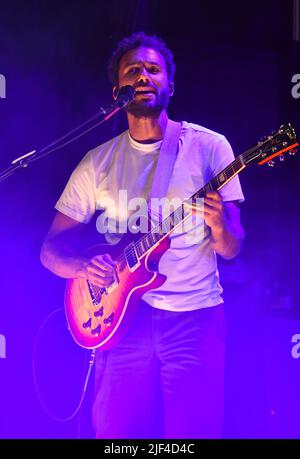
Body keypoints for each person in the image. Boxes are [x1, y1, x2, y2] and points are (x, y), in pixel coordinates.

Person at [40, 31, 245, 439]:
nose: (144, 76)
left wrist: (220, 224)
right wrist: (85, 266)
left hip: (194, 317)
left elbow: (233, 247)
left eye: (154, 70)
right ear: (118, 90)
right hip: (121, 321)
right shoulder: (97, 163)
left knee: (194, 433)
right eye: (133, 70)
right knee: (115, 434)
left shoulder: (209, 148)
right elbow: (50, 251)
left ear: (170, 84)